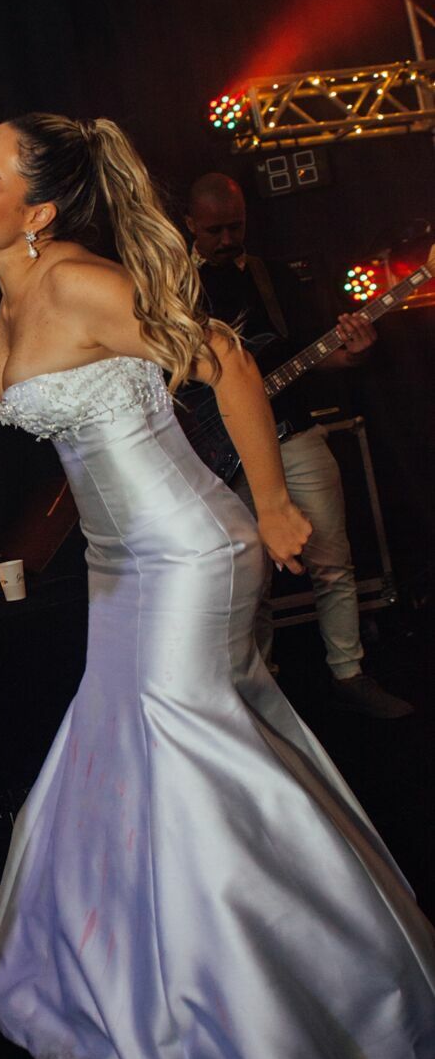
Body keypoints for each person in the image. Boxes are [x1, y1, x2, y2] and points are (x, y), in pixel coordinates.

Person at [0, 114, 435, 1059]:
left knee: (191, 763)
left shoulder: (79, 281)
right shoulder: (13, 291)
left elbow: (225, 361)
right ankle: (159, 986)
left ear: (37, 210)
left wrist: (271, 501)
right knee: (128, 759)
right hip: (118, 565)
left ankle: (303, 1022)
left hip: (186, 552)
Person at [184, 172, 412, 718]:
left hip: (294, 433)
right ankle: (260, 692)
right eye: (214, 230)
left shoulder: (275, 278)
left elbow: (317, 355)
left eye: (235, 227)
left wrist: (353, 351)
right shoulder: (171, 287)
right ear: (190, 224)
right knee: (250, 579)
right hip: (221, 448)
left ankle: (349, 672)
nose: (227, 239)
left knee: (333, 559)